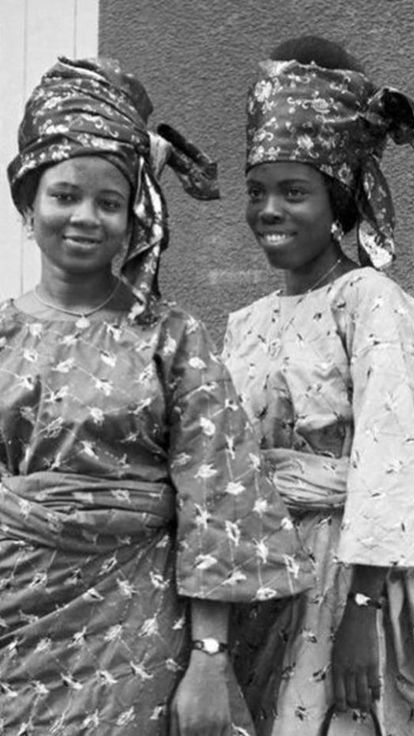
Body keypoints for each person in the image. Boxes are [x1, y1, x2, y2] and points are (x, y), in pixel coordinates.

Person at [0, 56, 314, 736]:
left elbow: (218, 495)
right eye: (64, 196)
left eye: (109, 202)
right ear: (28, 200)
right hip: (16, 620)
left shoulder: (172, 338)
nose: (85, 217)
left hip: (139, 620)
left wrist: (209, 658)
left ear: (134, 214)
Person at [222, 36, 414, 736]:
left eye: (294, 191)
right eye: (257, 191)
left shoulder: (370, 301)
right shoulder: (244, 321)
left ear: (340, 197)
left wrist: (362, 612)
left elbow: (395, 456)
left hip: (344, 576)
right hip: (263, 572)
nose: (270, 210)